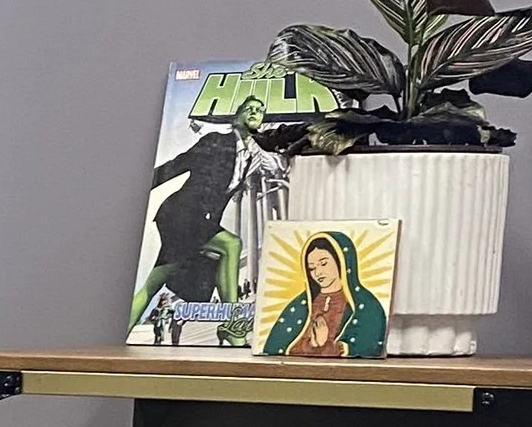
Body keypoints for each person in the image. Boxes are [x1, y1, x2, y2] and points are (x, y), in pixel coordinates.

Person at [129, 97, 284, 330]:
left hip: (196, 225)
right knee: (231, 244)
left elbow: (275, 167)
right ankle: (235, 325)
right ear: (236, 116)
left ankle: (128, 326)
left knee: (154, 282)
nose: (255, 112)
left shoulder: (250, 156)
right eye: (249, 108)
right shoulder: (215, 141)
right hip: (180, 215)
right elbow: (179, 163)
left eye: (260, 110)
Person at [262, 227, 388, 358]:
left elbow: (366, 349)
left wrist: (326, 345)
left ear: (341, 261)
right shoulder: (300, 305)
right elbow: (276, 348)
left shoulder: (367, 306)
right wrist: (310, 344)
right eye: (312, 268)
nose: (318, 273)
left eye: (323, 264)